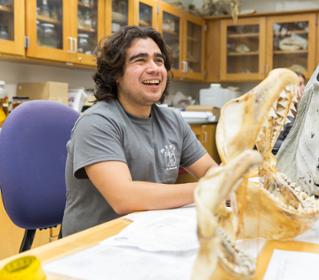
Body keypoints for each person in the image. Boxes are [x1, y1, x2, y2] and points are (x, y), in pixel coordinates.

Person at [62, 26, 217, 236]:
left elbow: (210, 171)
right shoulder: (96, 122)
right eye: (140, 60)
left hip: (149, 233)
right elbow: (125, 198)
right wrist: (209, 189)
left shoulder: (172, 121)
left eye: (159, 60)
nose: (154, 68)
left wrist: (228, 179)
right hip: (95, 245)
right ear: (116, 74)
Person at [272, 71, 306, 154]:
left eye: (303, 84)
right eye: (300, 84)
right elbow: (273, 143)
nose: (304, 87)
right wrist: (294, 146)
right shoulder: (280, 111)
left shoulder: (297, 107)